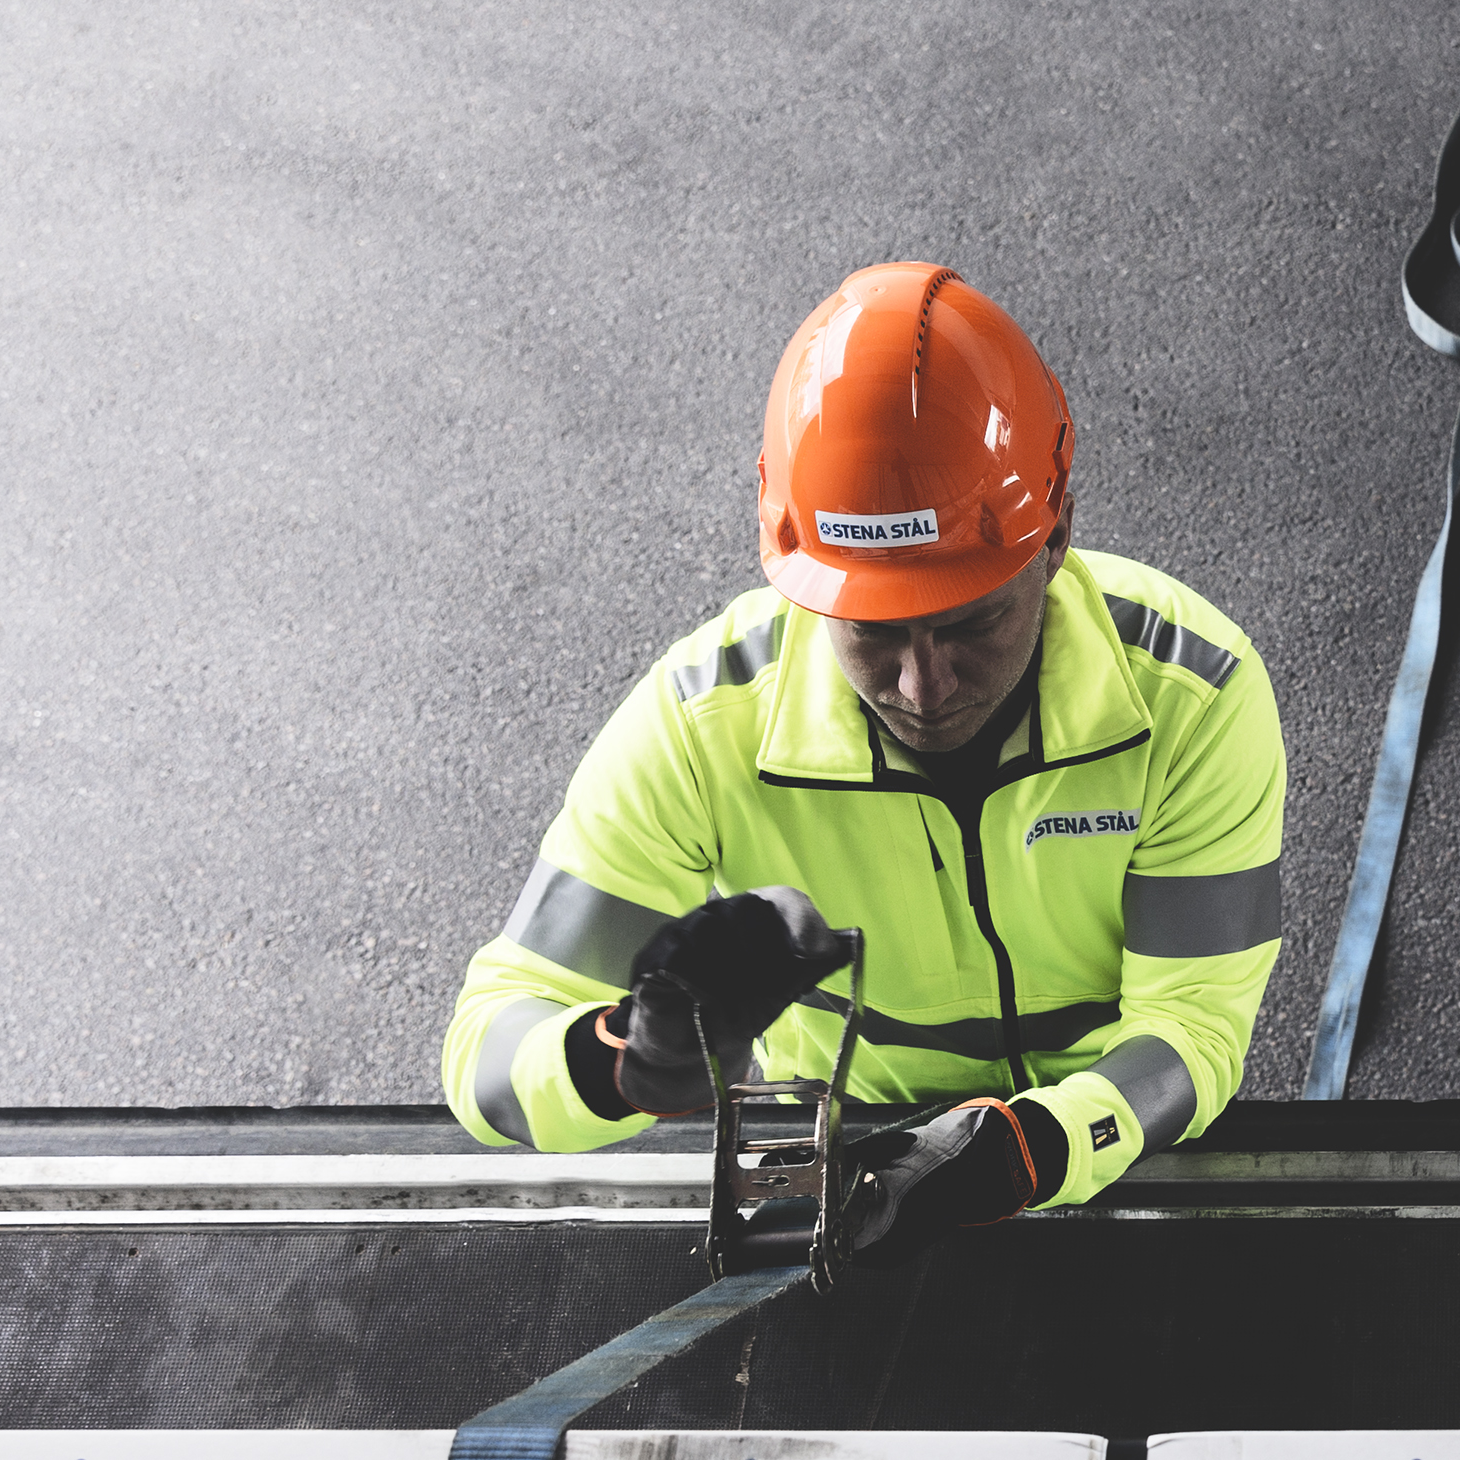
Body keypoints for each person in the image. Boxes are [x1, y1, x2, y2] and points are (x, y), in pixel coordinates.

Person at [443, 262, 1285, 1250]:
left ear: (1056, 537)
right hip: (831, 1150)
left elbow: (1193, 1029)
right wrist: (624, 1055)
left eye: (971, 623)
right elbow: (484, 1048)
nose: (924, 688)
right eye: (871, 632)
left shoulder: (1193, 695)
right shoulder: (702, 722)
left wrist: (1026, 1149)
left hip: (1099, 1135)